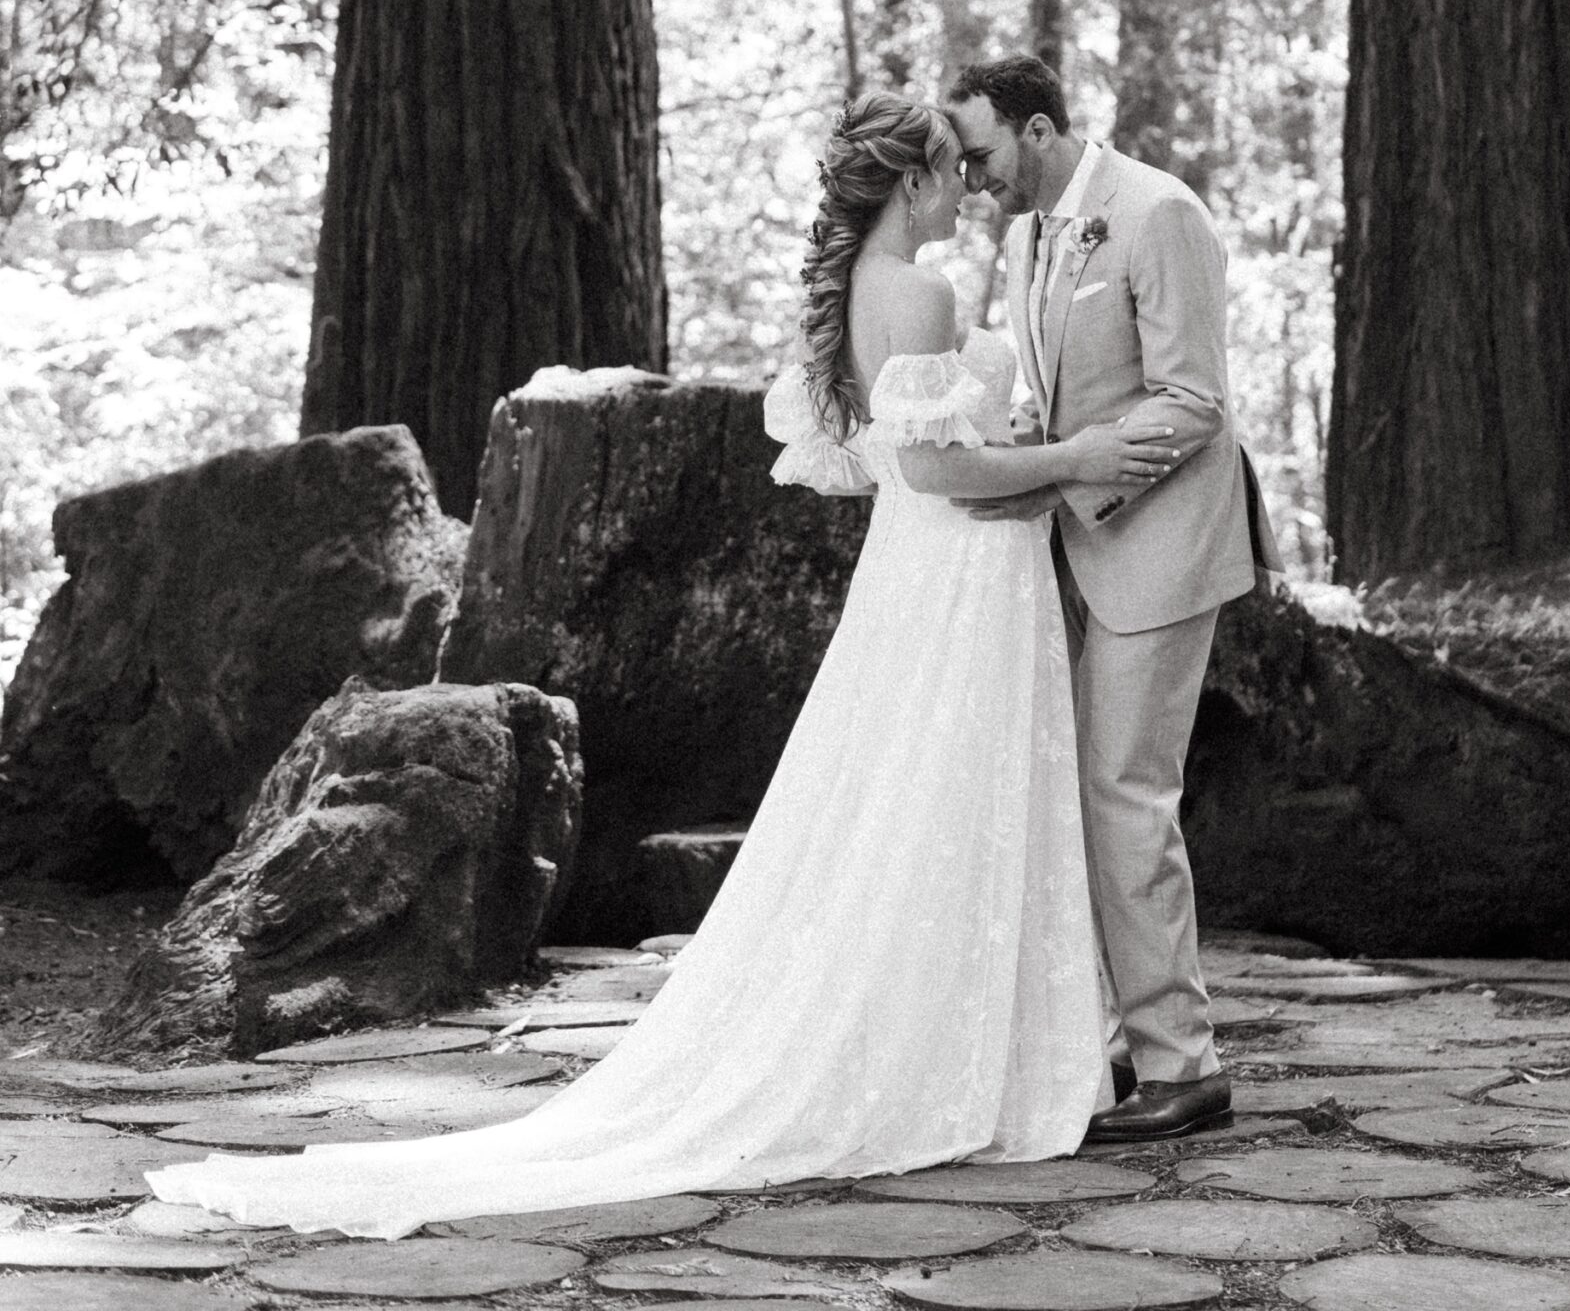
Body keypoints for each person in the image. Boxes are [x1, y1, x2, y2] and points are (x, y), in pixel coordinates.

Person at [147, 92, 1168, 1240]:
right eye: (942, 171)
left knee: (913, 806)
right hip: (961, 578)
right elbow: (935, 473)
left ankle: (967, 1040)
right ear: (907, 184)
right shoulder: (922, 293)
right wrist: (1072, 454)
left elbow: (890, 464)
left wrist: (1024, 465)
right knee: (948, 805)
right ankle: (974, 1057)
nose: (957, 190)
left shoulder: (854, 301)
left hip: (924, 575)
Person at [944, 54, 1282, 1143]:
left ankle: (1182, 1064)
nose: (972, 174)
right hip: (1073, 551)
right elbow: (1051, 389)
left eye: (982, 152)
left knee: (1125, 793)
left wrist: (1069, 467)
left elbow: (1194, 400)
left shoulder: (1157, 214)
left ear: (1036, 132)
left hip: (1163, 546)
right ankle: (1113, 1042)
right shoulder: (1026, 236)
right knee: (1076, 792)